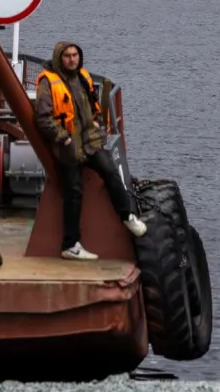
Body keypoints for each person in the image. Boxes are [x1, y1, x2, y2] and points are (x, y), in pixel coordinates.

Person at [35, 41, 147, 260]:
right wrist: (63, 138)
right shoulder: (48, 83)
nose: (72, 59)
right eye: (67, 56)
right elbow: (43, 117)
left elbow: (93, 105)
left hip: (90, 143)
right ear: (60, 58)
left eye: (75, 55)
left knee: (110, 172)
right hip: (68, 148)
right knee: (73, 193)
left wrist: (96, 123)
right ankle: (70, 245)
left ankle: (128, 216)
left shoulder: (83, 77)